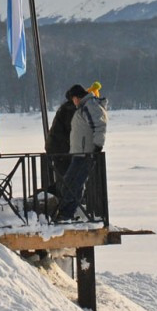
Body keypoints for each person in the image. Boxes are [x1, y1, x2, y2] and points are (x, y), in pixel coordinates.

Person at [57, 82, 107, 221]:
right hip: (80, 152)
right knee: (73, 183)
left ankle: (66, 213)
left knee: (72, 182)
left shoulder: (90, 106)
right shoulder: (85, 107)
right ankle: (67, 212)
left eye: (72, 99)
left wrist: (97, 146)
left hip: (85, 153)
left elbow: (100, 125)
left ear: (76, 97)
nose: (73, 103)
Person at [45, 87, 78, 196]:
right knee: (65, 177)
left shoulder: (66, 108)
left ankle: (61, 197)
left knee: (63, 176)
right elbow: (71, 129)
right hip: (61, 149)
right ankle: (63, 200)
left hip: (57, 147)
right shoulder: (70, 110)